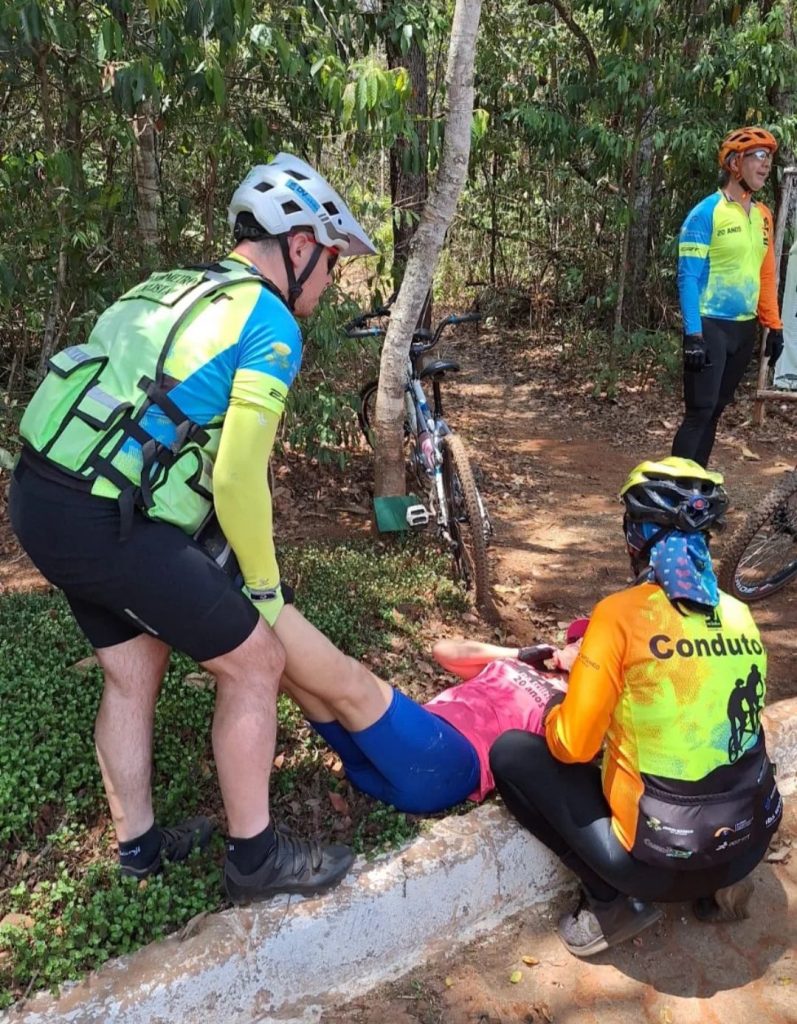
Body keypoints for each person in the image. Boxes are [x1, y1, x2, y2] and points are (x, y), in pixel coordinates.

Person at [9, 153, 377, 904]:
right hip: (103, 517)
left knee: (132, 668)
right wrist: (264, 588)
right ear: (299, 246)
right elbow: (238, 478)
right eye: (333, 261)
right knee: (256, 662)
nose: (331, 281)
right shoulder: (269, 321)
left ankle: (139, 850)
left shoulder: (172, 285)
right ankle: (256, 861)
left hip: (41, 494)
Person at [489, 458, 783, 958]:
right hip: (746, 846)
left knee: (512, 754)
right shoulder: (740, 614)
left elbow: (572, 747)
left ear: (636, 538)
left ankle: (611, 903)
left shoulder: (618, 615)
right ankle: (721, 885)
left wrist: (559, 704)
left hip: (655, 868)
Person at [276, 617, 588, 813]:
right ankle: (257, 624)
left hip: (450, 766)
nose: (577, 645)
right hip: (396, 756)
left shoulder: (575, 704)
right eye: (577, 640)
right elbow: (444, 651)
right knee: (295, 678)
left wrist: (584, 685)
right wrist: (518, 654)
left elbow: (578, 747)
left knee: (356, 681)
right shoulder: (518, 664)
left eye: (588, 645)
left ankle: (264, 600)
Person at [672, 126, 784, 467]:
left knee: (717, 409)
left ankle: (696, 486)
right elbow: (688, 277)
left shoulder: (763, 216)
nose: (766, 165)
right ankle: (675, 488)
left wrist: (774, 326)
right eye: (759, 156)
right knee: (700, 411)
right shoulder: (706, 213)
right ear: (735, 163)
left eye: (769, 158)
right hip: (710, 326)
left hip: (743, 329)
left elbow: (765, 274)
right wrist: (693, 335)